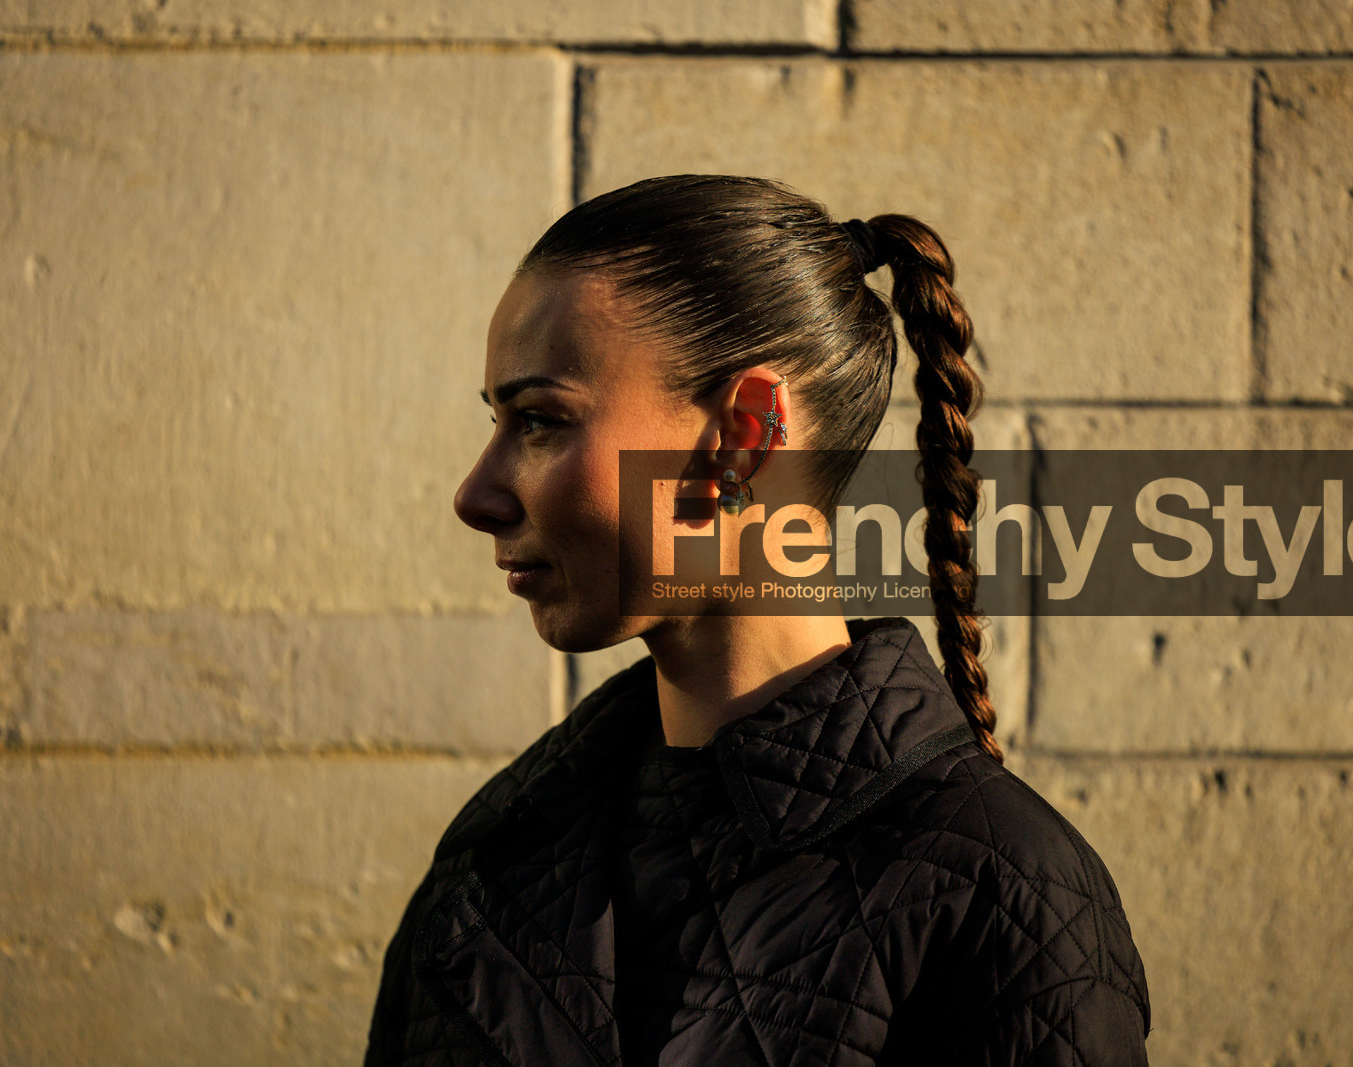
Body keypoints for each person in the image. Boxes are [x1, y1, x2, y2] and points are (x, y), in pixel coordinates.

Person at [363, 174, 1151, 1065]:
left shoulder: (1003, 890)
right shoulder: (493, 857)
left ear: (744, 435)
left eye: (540, 420)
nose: (475, 494)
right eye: (497, 422)